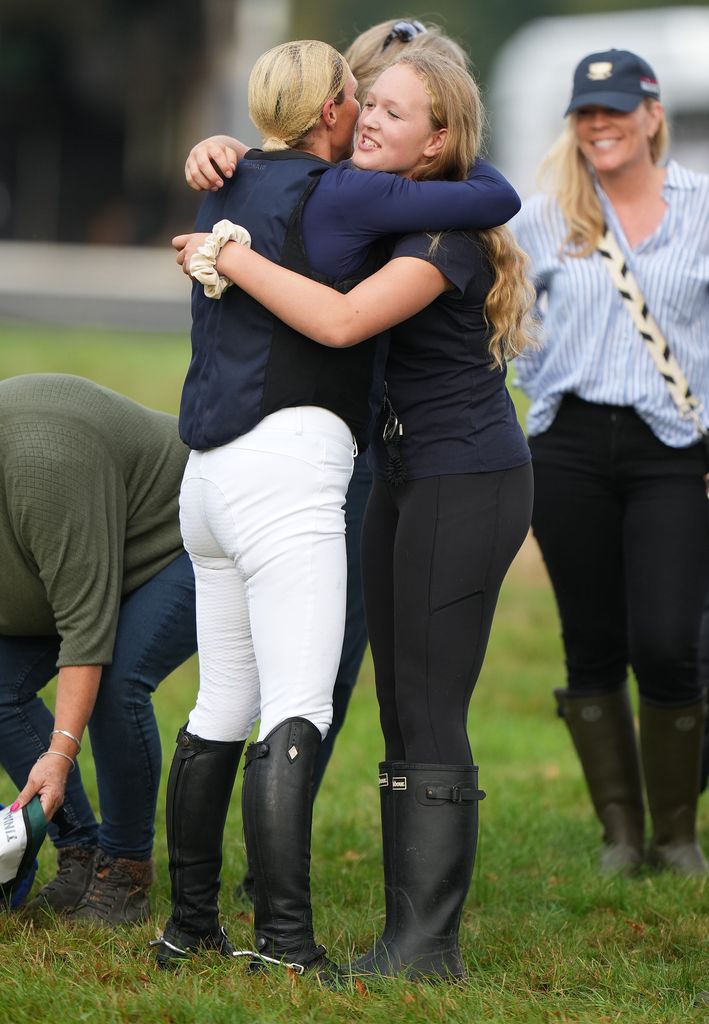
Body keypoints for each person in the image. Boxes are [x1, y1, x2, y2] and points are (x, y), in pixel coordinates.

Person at [156, 39, 522, 980]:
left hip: (463, 474)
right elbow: (288, 190)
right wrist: (228, 155)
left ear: (441, 137)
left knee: (423, 707)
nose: (368, 119)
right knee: (395, 700)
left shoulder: (438, 234)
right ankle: (377, 933)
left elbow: (339, 321)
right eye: (367, 104)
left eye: (394, 112)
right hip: (401, 472)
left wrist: (223, 249)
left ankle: (420, 945)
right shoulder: (363, 204)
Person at [512, 50, 709, 876]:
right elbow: (508, 322)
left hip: (671, 446)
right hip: (568, 448)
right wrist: (538, 381)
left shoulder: (700, 207)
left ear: (651, 114)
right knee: (589, 641)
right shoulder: (542, 214)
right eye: (585, 112)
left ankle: (676, 836)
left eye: (615, 110)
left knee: (667, 641)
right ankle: (620, 837)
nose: (598, 125)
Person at [0, 374, 197, 923]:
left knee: (115, 684)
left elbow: (85, 628)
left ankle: (127, 871)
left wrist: (59, 754)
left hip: (173, 535)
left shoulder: (42, 468)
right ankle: (80, 853)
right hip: (68, 557)